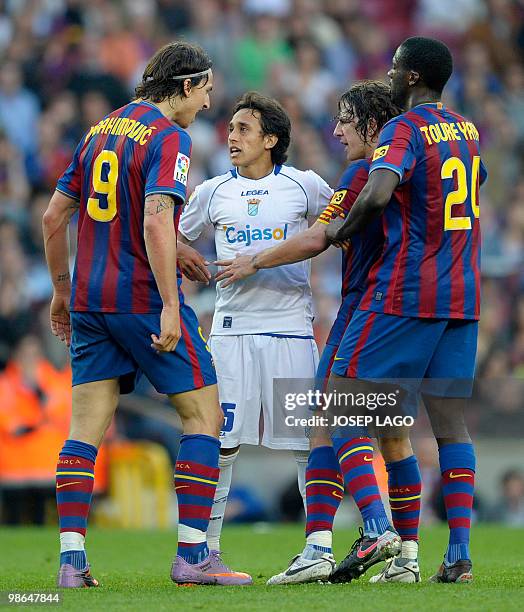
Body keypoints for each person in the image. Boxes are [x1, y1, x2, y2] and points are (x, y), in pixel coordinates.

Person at [42, 41, 251, 588]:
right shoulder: (169, 137)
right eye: (205, 92)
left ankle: (71, 563)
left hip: (89, 302)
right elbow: (157, 221)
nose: (207, 106)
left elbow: (53, 216)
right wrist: (169, 303)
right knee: (204, 416)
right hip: (140, 299)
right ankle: (193, 557)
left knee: (84, 430)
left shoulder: (100, 129)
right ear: (185, 86)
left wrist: (61, 294)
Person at [215, 81, 408, 585]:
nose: (337, 130)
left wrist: (253, 261)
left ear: (370, 125)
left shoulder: (365, 172)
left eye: (346, 120)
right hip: (403, 310)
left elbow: (320, 234)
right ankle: (377, 554)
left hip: (369, 310)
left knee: (333, 414)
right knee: (387, 432)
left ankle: (374, 525)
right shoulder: (409, 167)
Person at [326, 37, 487, 584]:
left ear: (413, 75)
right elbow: (473, 185)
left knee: (338, 398)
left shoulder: (403, 129)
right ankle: (458, 553)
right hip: (463, 297)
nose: (389, 74)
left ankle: (376, 528)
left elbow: (377, 193)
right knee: (449, 424)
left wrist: (336, 235)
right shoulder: (466, 130)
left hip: (409, 291)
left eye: (395, 66)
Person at [178, 91, 333, 562]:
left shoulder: (304, 186)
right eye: (230, 129)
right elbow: (169, 239)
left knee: (306, 444)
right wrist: (183, 261)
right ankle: (208, 548)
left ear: (271, 139)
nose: (232, 137)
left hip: (290, 328)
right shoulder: (211, 191)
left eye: (243, 129)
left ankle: (318, 547)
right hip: (229, 331)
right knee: (222, 444)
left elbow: (344, 225)